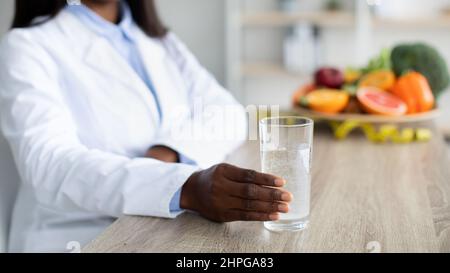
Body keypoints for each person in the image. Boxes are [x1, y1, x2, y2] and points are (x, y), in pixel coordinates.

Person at [0, 0, 292, 252]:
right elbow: (48, 164)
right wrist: (184, 187)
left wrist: (167, 153)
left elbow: (228, 113)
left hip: (163, 228)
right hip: (79, 235)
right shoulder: (27, 45)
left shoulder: (157, 40)